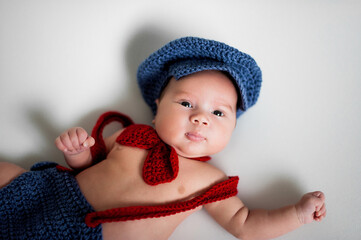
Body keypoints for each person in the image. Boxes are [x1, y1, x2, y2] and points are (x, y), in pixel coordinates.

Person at [0, 37, 326, 240]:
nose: (200, 117)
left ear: (232, 128)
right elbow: (89, 167)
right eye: (186, 103)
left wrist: (297, 214)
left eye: (219, 113)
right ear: (156, 109)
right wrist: (77, 153)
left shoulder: (211, 181)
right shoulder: (130, 135)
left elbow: (246, 223)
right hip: (52, 197)